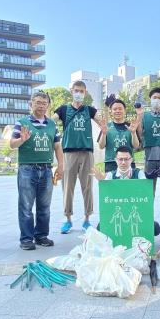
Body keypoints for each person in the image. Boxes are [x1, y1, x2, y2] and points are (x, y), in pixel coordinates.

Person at [10, 90, 65, 251]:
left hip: (46, 169)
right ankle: (26, 238)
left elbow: (57, 146)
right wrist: (22, 139)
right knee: (26, 205)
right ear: (31, 104)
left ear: (48, 105)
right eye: (38, 102)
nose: (41, 106)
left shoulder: (52, 125)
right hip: (27, 169)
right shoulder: (22, 122)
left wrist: (61, 165)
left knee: (44, 206)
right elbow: (12, 144)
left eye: (44, 103)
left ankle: (41, 235)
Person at [54, 80, 105, 233]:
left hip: (87, 152)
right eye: (76, 90)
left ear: (85, 92)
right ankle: (68, 219)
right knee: (67, 187)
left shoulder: (89, 110)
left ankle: (87, 219)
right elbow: (52, 120)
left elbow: (101, 121)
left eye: (82, 91)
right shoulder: (63, 109)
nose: (79, 93)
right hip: (69, 152)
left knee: (87, 187)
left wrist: (104, 121)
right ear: (71, 91)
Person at [90, 146, 160, 237]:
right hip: (117, 212)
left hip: (135, 211)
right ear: (116, 160)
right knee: (100, 228)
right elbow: (106, 197)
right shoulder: (110, 176)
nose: (123, 162)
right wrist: (102, 182)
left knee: (156, 228)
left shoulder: (139, 174)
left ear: (131, 160)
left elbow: (144, 192)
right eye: (120, 159)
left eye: (126, 159)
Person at [136, 87, 160, 230]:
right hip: (150, 160)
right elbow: (140, 134)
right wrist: (139, 116)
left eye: (159, 97)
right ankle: (147, 219)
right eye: (154, 97)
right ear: (150, 100)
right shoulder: (145, 116)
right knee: (149, 193)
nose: (156, 100)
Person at [98, 98, 140, 173]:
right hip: (111, 163)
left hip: (128, 162)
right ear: (111, 111)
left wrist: (133, 133)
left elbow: (136, 146)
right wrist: (104, 133)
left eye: (120, 109)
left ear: (124, 110)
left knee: (128, 184)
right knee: (111, 185)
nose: (117, 111)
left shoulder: (131, 126)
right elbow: (101, 146)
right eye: (115, 109)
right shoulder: (106, 127)